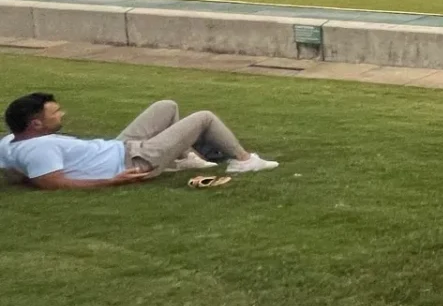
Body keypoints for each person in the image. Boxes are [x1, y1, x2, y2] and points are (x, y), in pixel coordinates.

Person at [1, 93, 277, 189]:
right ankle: (242, 161)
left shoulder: (10, 141)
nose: (62, 114)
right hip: (134, 161)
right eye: (55, 113)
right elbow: (55, 183)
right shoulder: (40, 147)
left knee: (166, 106)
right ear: (36, 124)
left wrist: (25, 177)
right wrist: (112, 181)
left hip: (118, 147)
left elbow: (14, 173)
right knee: (204, 117)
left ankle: (182, 157)